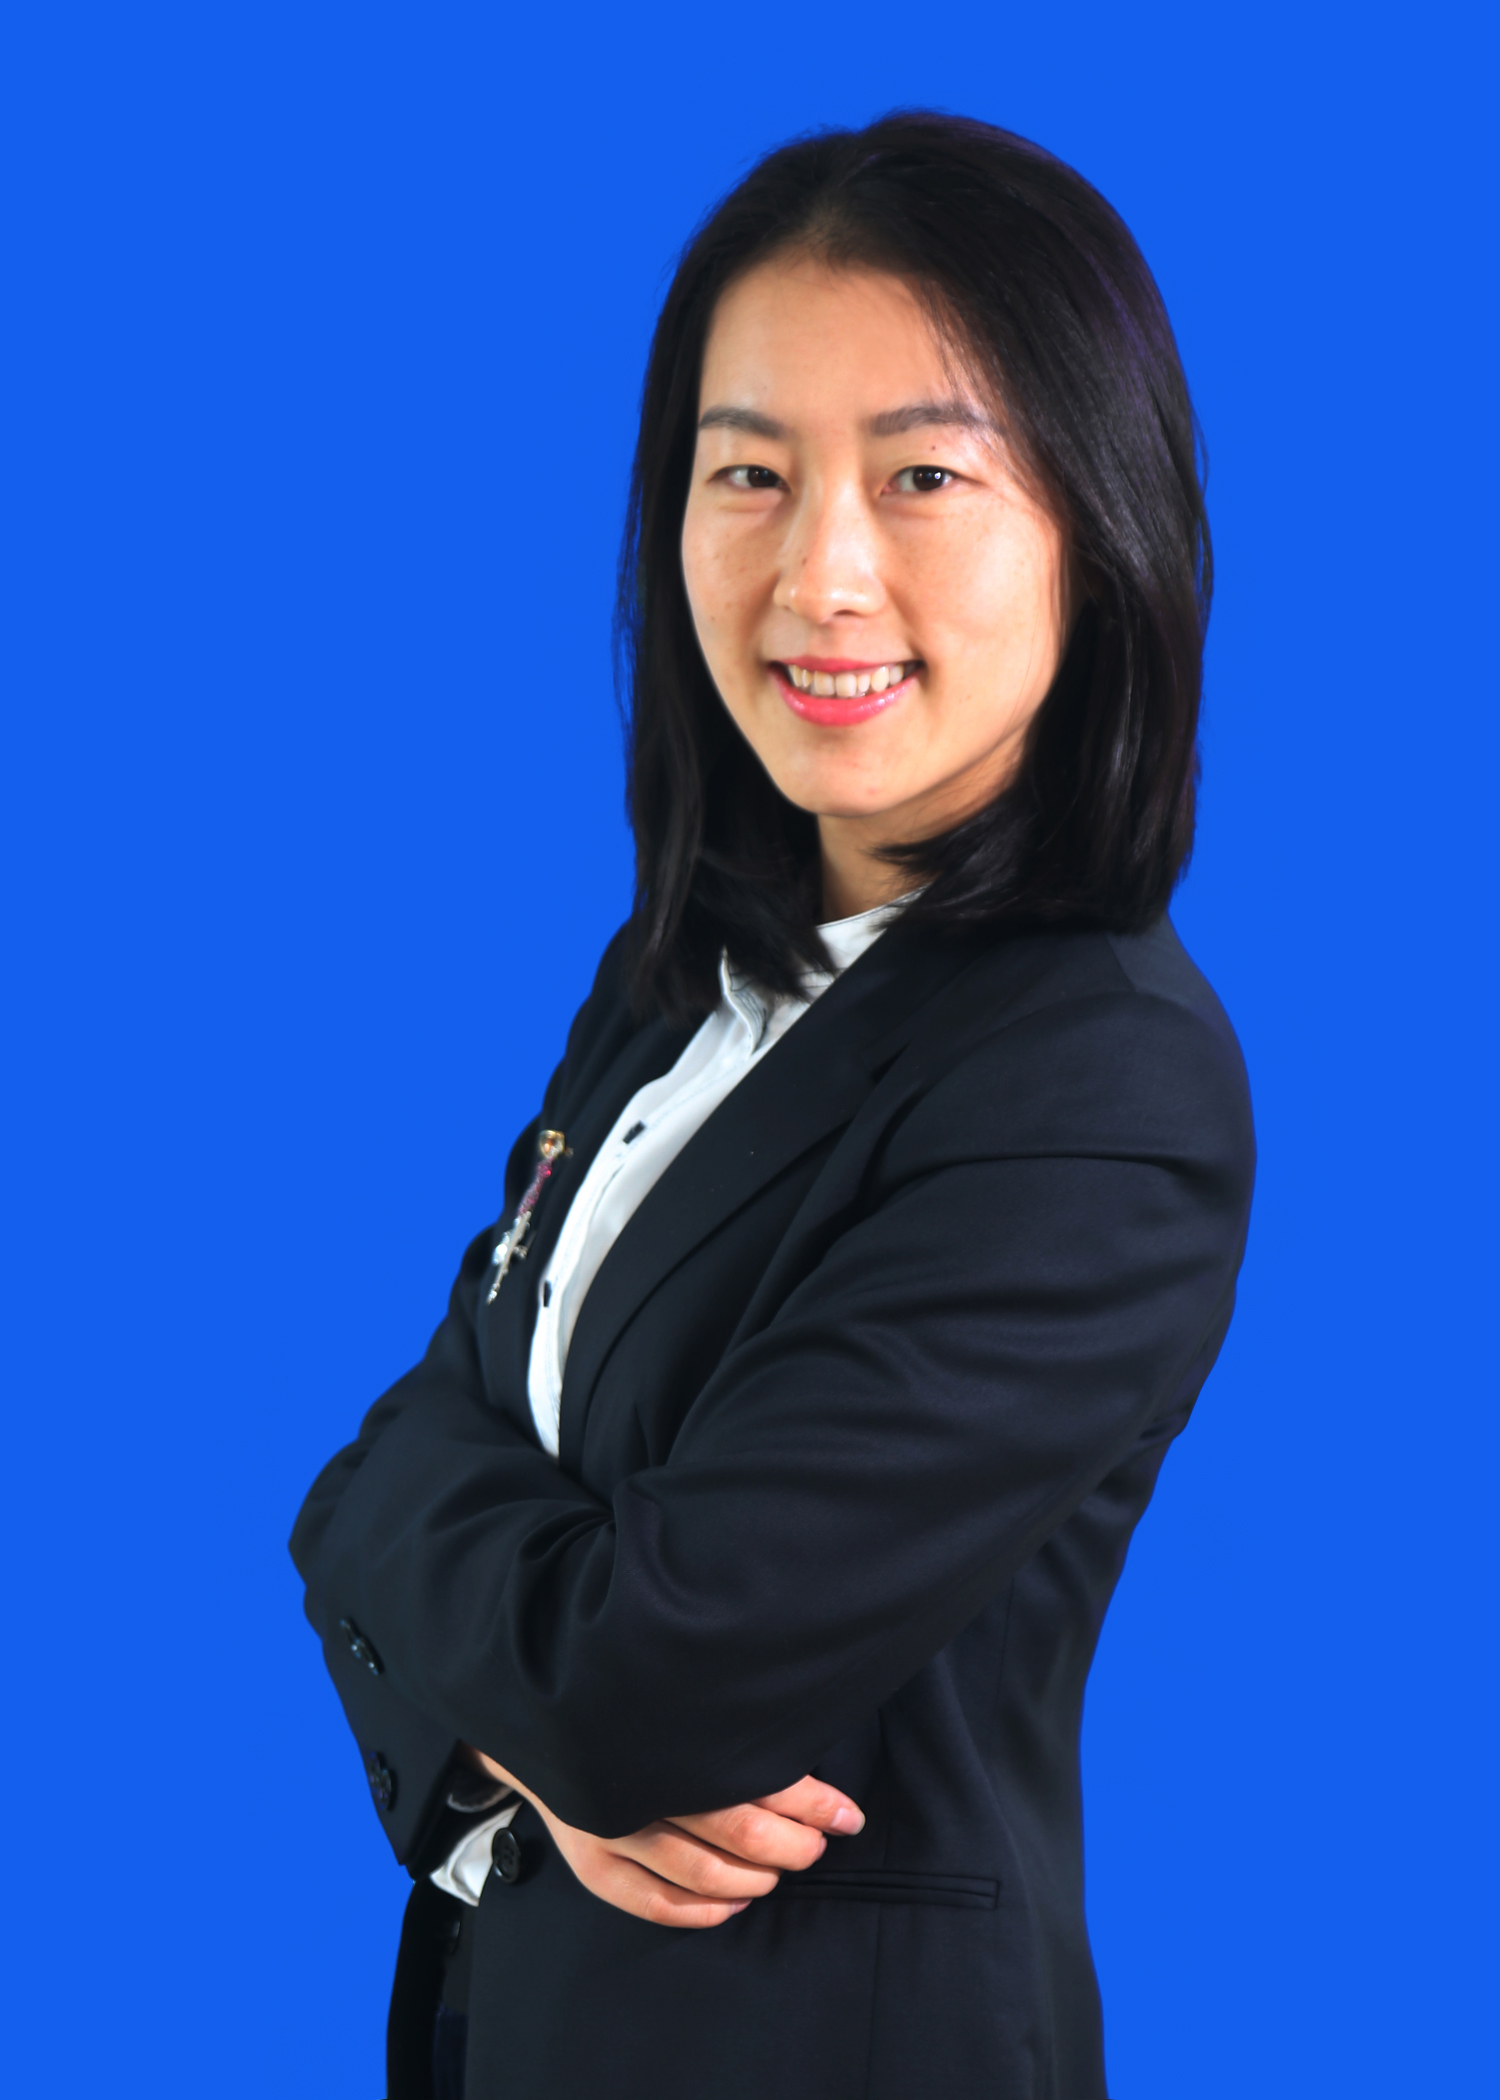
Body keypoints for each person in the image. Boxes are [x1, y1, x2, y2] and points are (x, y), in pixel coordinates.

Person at [290, 111, 1255, 2100]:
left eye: (923, 476)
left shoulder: (1099, 1082)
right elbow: (369, 1480)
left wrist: (477, 1613)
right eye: (750, 474)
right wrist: (500, 1742)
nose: (820, 572)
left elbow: (639, 1677)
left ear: (1099, 525)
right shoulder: (678, 983)